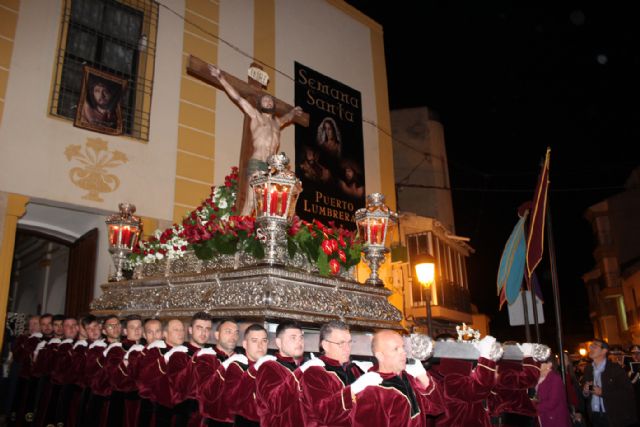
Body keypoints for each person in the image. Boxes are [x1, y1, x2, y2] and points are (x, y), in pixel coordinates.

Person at [208, 64, 304, 216]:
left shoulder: (277, 124)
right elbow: (239, 98)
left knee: (269, 207)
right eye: (265, 100)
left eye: (270, 101)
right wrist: (221, 78)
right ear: (260, 104)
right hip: (257, 162)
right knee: (252, 201)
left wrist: (293, 112)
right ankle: (239, 234)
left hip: (271, 169)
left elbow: (287, 117)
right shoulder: (256, 116)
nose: (268, 102)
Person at [351, 329, 444, 427]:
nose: (403, 352)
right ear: (380, 356)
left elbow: (436, 408)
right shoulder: (372, 390)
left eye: (403, 347)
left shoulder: (407, 378)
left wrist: (422, 375)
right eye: (396, 349)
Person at [299, 320, 375, 426]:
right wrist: (353, 390)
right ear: (325, 345)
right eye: (341, 343)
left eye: (349, 342)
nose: (347, 348)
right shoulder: (314, 373)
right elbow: (323, 413)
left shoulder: (356, 369)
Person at [251, 320, 306, 426]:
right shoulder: (269, 367)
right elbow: (275, 405)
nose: (299, 342)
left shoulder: (304, 367)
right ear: (279, 343)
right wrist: (300, 373)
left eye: (301, 337)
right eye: (293, 338)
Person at [582, 338, 637, 427]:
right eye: (591, 346)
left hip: (612, 416)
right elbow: (588, 392)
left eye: (594, 346)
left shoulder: (615, 369)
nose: (590, 348)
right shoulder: (588, 369)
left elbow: (627, 392)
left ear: (604, 351)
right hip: (595, 417)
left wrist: (603, 392)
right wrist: (586, 391)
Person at [225, 323, 269, 427]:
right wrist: (254, 370)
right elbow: (233, 402)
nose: (260, 345)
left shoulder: (272, 366)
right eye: (254, 341)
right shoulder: (237, 366)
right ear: (245, 344)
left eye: (264, 341)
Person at [535, 357, 571, 427]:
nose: (536, 364)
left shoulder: (555, 378)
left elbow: (552, 403)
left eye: (539, 362)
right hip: (542, 417)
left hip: (554, 419)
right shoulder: (537, 378)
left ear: (549, 364)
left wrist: (532, 407)